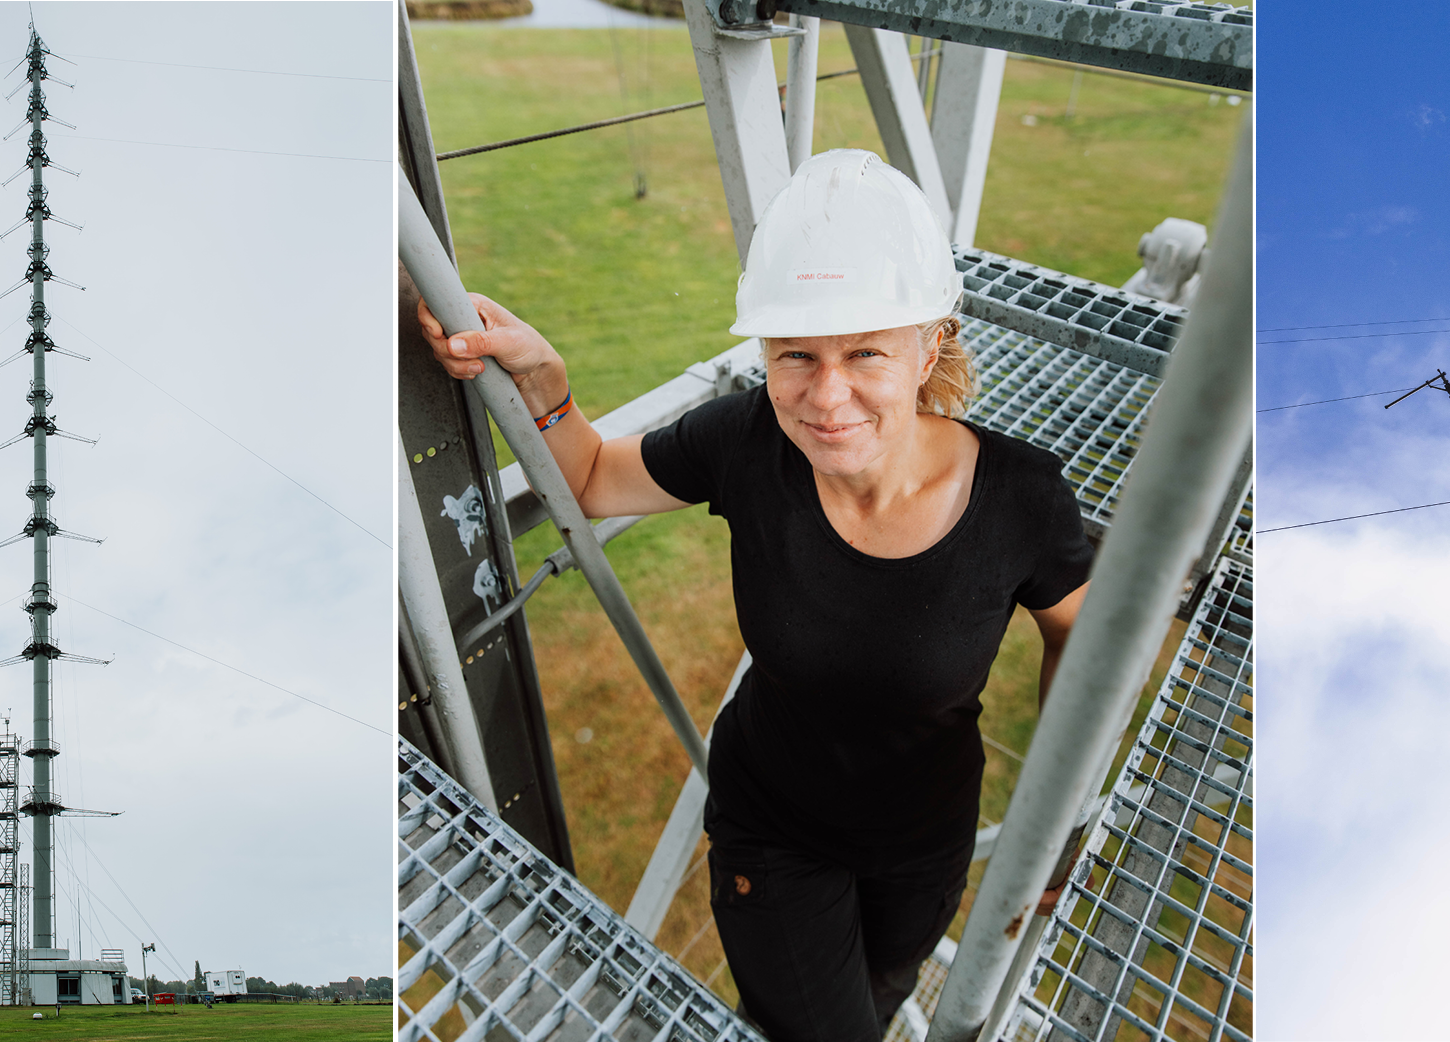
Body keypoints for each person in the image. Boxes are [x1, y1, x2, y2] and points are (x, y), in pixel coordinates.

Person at [418, 149, 1091, 1041]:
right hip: (777, 835)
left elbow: (1077, 639)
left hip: (922, 845)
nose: (826, 395)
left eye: (865, 353)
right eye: (795, 355)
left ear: (931, 344)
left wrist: (1061, 812)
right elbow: (588, 479)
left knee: (878, 1000)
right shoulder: (745, 443)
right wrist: (547, 381)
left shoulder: (1021, 497)